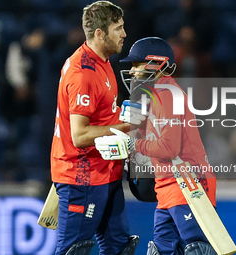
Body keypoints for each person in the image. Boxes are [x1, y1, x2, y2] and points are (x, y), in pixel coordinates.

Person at [95, 37, 217, 255]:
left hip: (189, 184)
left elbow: (168, 148)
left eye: (136, 65)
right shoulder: (158, 93)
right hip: (168, 186)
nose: (132, 71)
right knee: (162, 251)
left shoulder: (169, 95)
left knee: (195, 250)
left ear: (155, 63)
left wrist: (133, 143)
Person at [50, 1, 139, 255]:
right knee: (73, 250)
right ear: (99, 33)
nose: (124, 34)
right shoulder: (83, 73)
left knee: (120, 248)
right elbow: (79, 135)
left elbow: (101, 116)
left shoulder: (102, 60)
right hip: (82, 177)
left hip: (105, 171)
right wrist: (127, 127)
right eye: (118, 28)